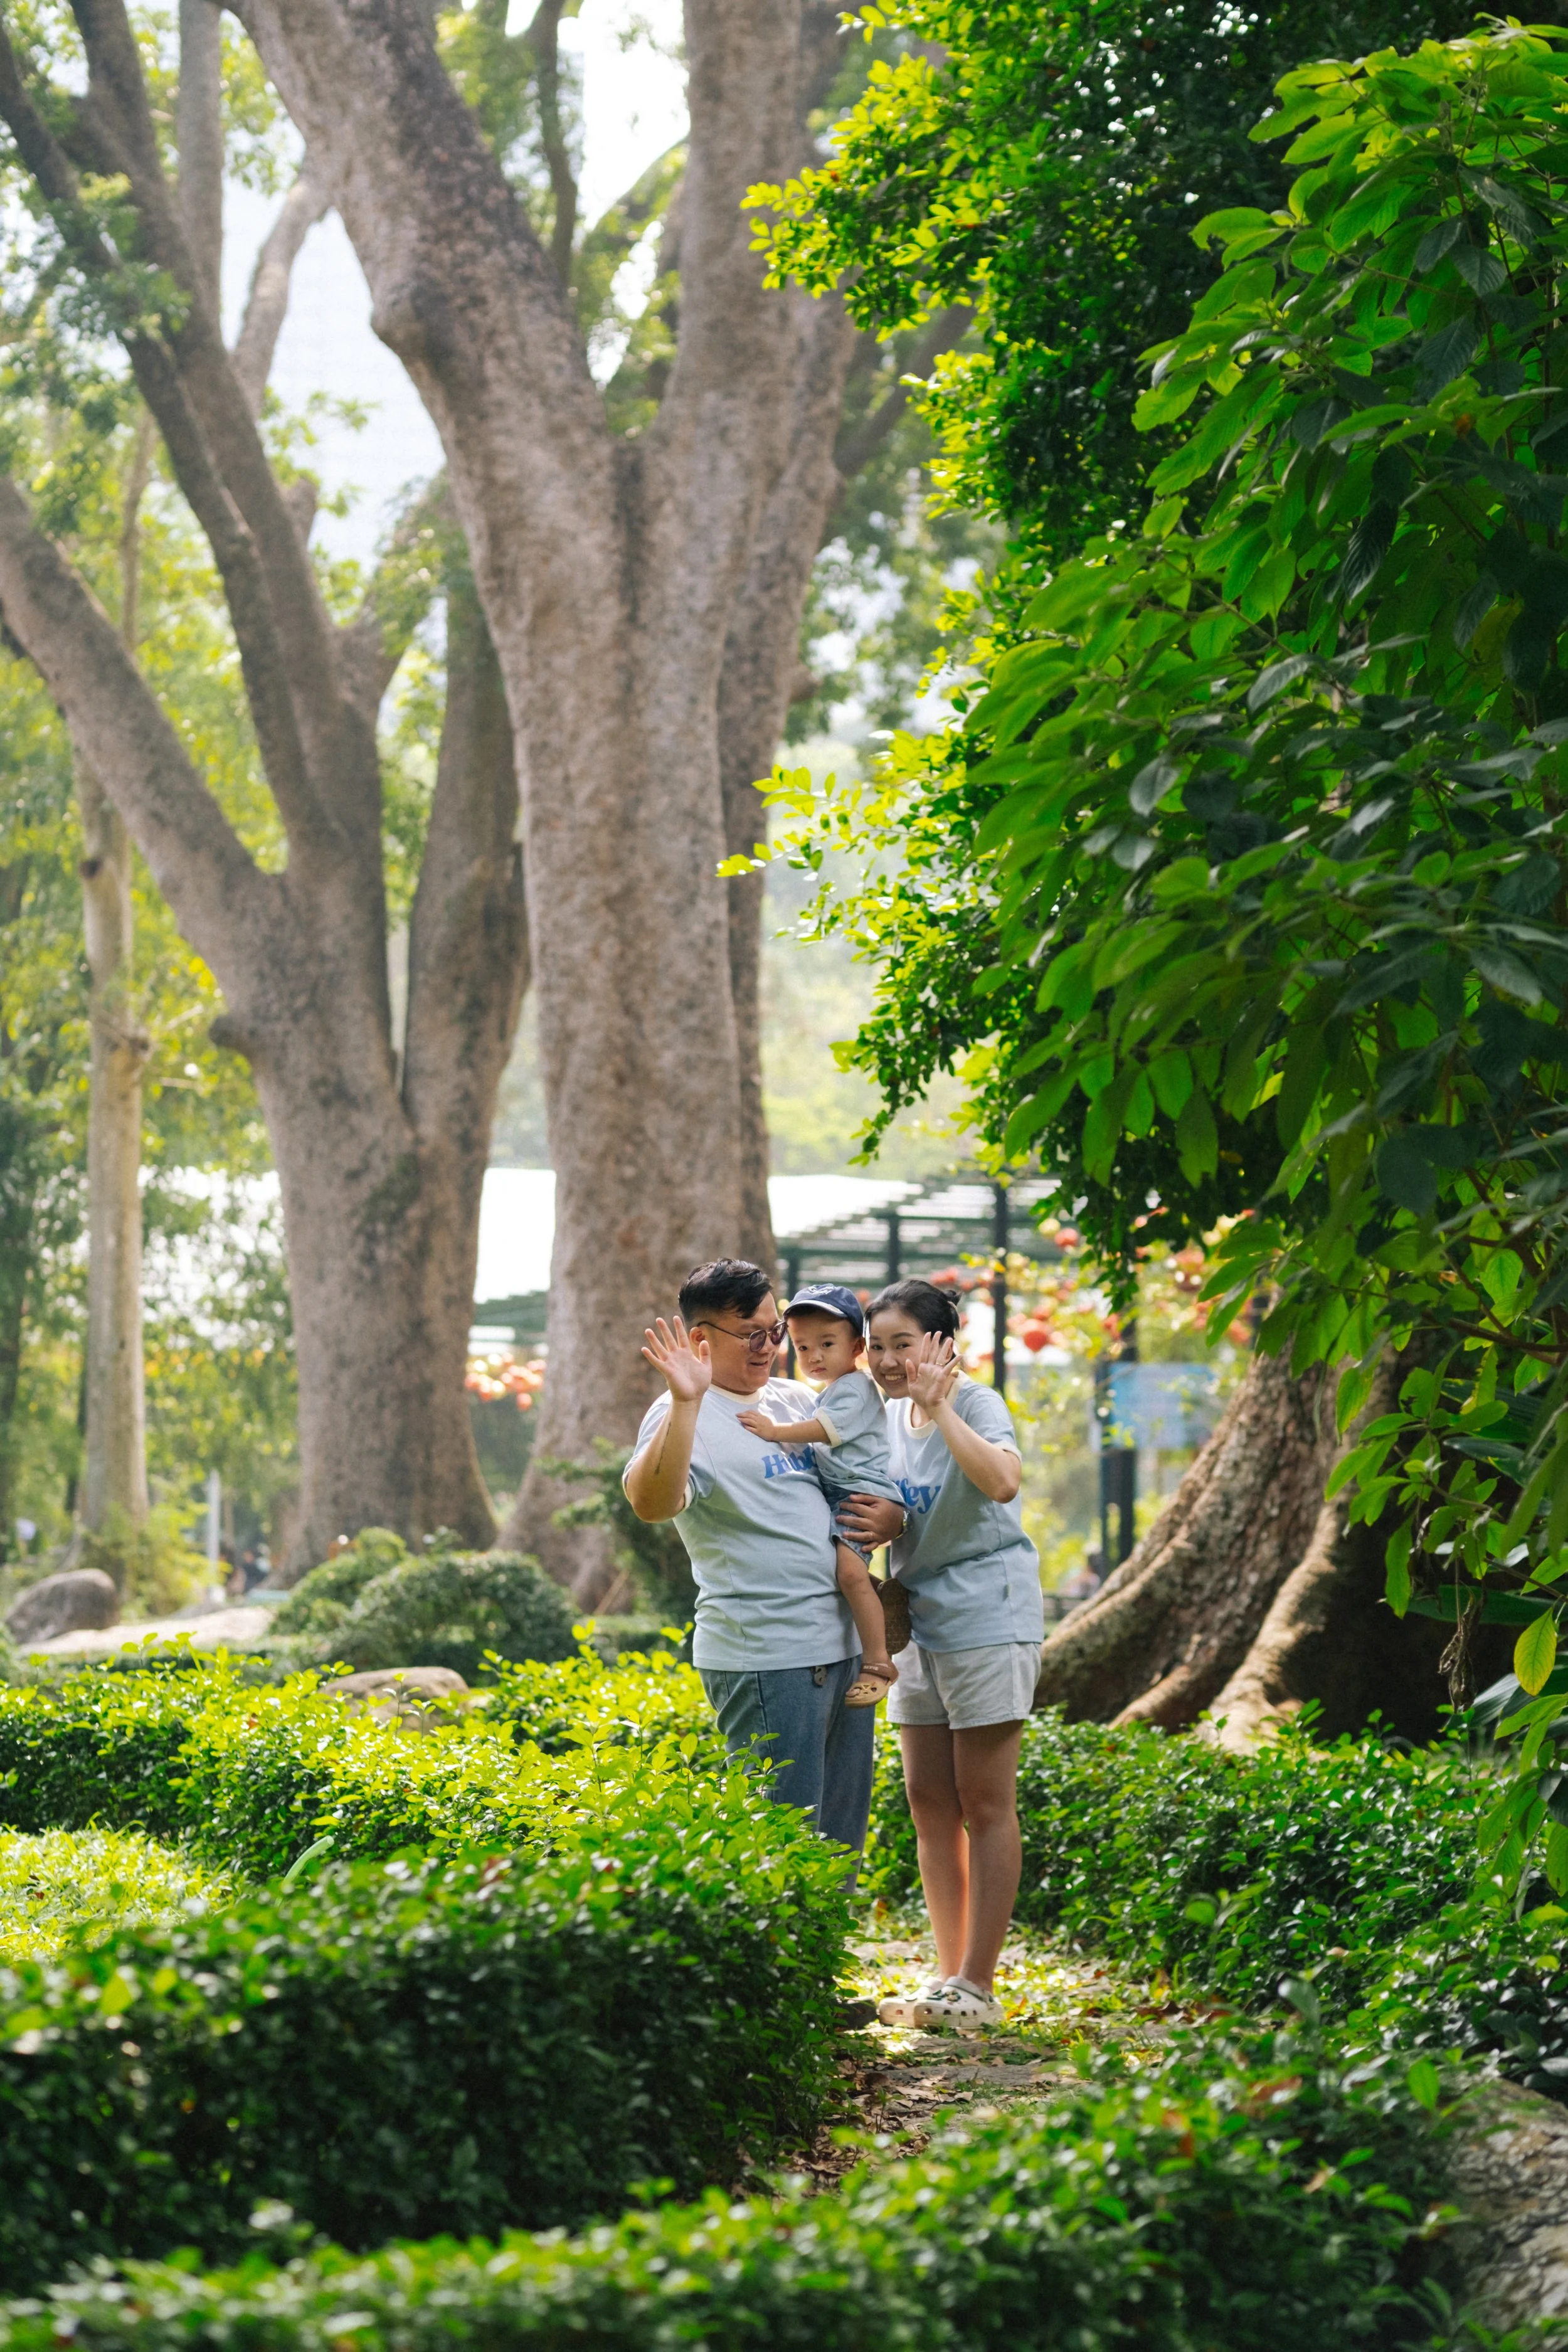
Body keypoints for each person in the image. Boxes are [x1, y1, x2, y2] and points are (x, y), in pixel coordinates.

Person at [623, 1258, 904, 1855]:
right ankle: (779, 1952)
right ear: (701, 1340)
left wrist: (892, 1517)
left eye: (775, 1331)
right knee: (781, 1846)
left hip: (846, 1648)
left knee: (838, 1842)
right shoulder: (684, 1413)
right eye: (753, 1334)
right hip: (769, 1655)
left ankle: (825, 1948)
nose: (771, 1347)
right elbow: (652, 1503)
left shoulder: (798, 1400)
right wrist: (684, 1402)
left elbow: (866, 1477)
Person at [866, 1278, 1044, 2032]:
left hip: (986, 1615)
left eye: (902, 1344)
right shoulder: (881, 1416)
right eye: (876, 1346)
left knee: (984, 1802)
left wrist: (939, 1406)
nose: (886, 1360)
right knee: (928, 1804)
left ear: (944, 1342)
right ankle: (948, 1982)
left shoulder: (973, 1402)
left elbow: (1002, 1482)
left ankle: (979, 1982)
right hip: (917, 1624)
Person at [736, 1282, 904, 1708]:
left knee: (848, 1574)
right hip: (840, 1491)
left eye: (827, 1344)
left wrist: (775, 1431)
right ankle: (881, 1599)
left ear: (857, 1345)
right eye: (803, 1346)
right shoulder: (829, 1390)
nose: (813, 1357)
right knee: (843, 1571)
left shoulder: (856, 1388)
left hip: (858, 1495)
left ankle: (879, 1663)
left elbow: (825, 1431)